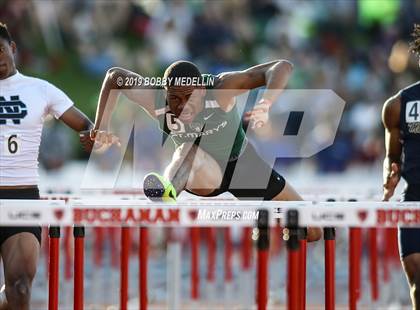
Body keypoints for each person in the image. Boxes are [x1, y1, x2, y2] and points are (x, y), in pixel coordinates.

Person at [92, 59, 322, 242]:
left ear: (202, 90)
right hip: (202, 172)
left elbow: (281, 66)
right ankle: (168, 191)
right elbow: (114, 76)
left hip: (243, 164)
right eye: (174, 99)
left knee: (313, 231)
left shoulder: (221, 87)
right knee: (188, 150)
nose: (182, 106)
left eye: (189, 97)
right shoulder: (156, 99)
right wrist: (102, 125)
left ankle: (275, 223)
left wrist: (266, 103)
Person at [0, 22, 93, 309]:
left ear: (12, 48)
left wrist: (91, 137)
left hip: (22, 198)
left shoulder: (40, 89)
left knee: (20, 287)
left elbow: (84, 124)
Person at [382, 23, 420, 308]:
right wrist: (390, 174)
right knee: (418, 279)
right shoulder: (399, 104)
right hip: (414, 199)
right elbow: (392, 156)